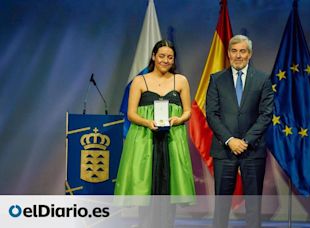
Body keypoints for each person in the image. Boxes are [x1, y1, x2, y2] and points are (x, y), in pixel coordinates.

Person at [114, 39, 195, 227]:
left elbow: (188, 111)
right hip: (144, 139)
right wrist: (147, 122)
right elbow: (131, 114)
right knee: (145, 188)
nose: (166, 60)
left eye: (170, 57)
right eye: (162, 56)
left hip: (172, 139)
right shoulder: (139, 81)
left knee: (170, 187)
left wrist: (179, 119)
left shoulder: (180, 80)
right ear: (153, 56)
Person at [206, 35, 273, 228]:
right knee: (221, 205)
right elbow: (211, 114)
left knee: (253, 205)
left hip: (252, 150)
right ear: (228, 54)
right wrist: (229, 140)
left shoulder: (263, 79)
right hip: (224, 149)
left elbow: (266, 114)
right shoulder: (216, 79)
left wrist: (245, 141)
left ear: (249, 54)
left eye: (242, 51)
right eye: (234, 51)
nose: (238, 55)